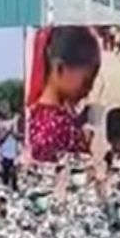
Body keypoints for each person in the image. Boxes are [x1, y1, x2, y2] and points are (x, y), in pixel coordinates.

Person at [27, 26, 100, 163]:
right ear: (60, 69)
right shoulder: (51, 130)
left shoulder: (47, 116)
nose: (89, 90)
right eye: (86, 82)